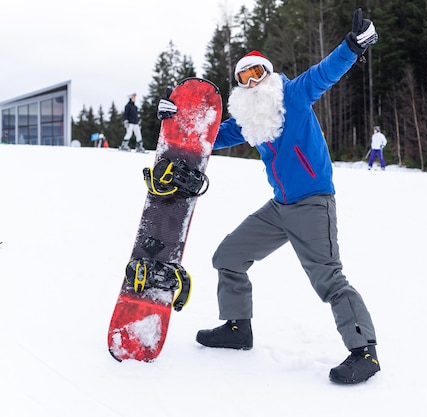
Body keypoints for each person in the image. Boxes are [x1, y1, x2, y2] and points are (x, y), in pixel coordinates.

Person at [158, 8, 380, 385]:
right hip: (280, 208)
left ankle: (365, 352)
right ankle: (237, 328)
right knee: (228, 256)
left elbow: (324, 73)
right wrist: (175, 117)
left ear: (270, 74)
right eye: (243, 77)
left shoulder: (293, 95)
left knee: (328, 279)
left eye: (257, 73)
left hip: (313, 203)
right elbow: (212, 136)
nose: (251, 81)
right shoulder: (251, 120)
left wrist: (350, 46)